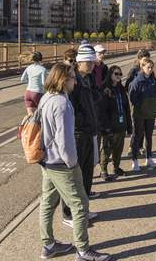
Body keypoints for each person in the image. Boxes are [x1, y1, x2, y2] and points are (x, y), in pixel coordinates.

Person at [37, 63, 110, 261]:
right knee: (80, 205)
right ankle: (83, 251)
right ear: (63, 80)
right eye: (72, 78)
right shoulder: (62, 103)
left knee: (48, 203)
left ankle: (49, 245)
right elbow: (65, 140)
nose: (75, 81)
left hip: (46, 160)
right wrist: (72, 163)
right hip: (61, 163)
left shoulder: (46, 98)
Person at [62, 44, 101, 226]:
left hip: (89, 132)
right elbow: (71, 109)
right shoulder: (72, 81)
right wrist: (85, 120)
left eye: (93, 61)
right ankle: (68, 214)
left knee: (86, 175)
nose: (92, 65)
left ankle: (83, 210)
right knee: (73, 178)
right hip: (77, 135)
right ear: (78, 63)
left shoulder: (89, 78)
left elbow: (92, 98)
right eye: (88, 62)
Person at [98, 65, 132, 180]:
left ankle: (116, 167)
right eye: (116, 74)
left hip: (121, 125)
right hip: (109, 127)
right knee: (107, 148)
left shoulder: (121, 89)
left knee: (118, 148)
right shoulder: (105, 90)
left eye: (120, 74)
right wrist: (106, 127)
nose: (118, 76)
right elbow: (102, 111)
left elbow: (127, 108)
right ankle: (103, 170)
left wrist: (129, 125)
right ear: (110, 75)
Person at [128, 57, 156, 171]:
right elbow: (132, 96)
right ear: (142, 67)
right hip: (139, 113)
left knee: (149, 136)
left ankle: (149, 158)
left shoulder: (153, 80)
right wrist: (141, 106)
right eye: (148, 67)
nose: (150, 70)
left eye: (151, 68)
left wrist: (155, 104)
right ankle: (135, 160)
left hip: (150, 113)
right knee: (137, 136)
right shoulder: (138, 80)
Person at [125, 48, 150, 156]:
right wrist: (132, 100)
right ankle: (132, 146)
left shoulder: (148, 70)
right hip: (136, 102)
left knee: (143, 126)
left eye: (148, 59)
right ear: (139, 60)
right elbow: (127, 86)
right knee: (136, 126)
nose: (147, 61)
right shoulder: (134, 71)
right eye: (145, 59)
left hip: (146, 103)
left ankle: (140, 146)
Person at [20, 51, 47, 118]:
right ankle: (39, 128)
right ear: (41, 59)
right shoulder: (43, 69)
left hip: (28, 92)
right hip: (37, 93)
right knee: (42, 114)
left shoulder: (28, 68)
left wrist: (30, 81)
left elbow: (22, 79)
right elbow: (44, 83)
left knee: (30, 115)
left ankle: (22, 127)